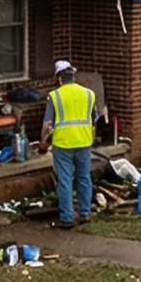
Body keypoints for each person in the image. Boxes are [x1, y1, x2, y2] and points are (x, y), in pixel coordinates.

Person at [43, 60, 97, 228]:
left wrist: (43, 142)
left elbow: (47, 124)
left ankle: (67, 219)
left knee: (65, 181)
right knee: (84, 178)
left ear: (59, 78)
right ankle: (85, 213)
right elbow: (94, 119)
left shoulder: (55, 96)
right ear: (74, 76)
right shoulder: (89, 94)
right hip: (83, 141)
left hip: (63, 144)